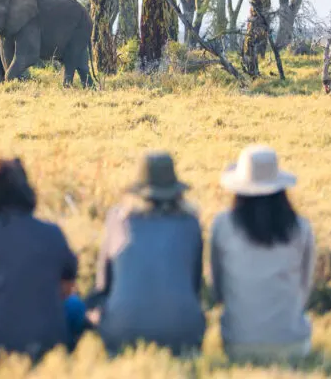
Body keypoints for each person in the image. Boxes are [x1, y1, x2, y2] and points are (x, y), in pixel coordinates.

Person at [0, 158, 86, 362]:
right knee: (76, 307)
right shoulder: (52, 234)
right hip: (45, 339)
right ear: (27, 192)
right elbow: (66, 291)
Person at [85, 151, 206, 357]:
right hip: (182, 333)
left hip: (122, 331)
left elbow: (103, 285)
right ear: (176, 190)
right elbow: (194, 285)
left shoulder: (118, 219)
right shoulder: (190, 223)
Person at [211, 145, 316, 363]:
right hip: (293, 345)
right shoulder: (301, 227)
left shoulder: (222, 225)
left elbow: (218, 289)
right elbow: (304, 288)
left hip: (237, 345)